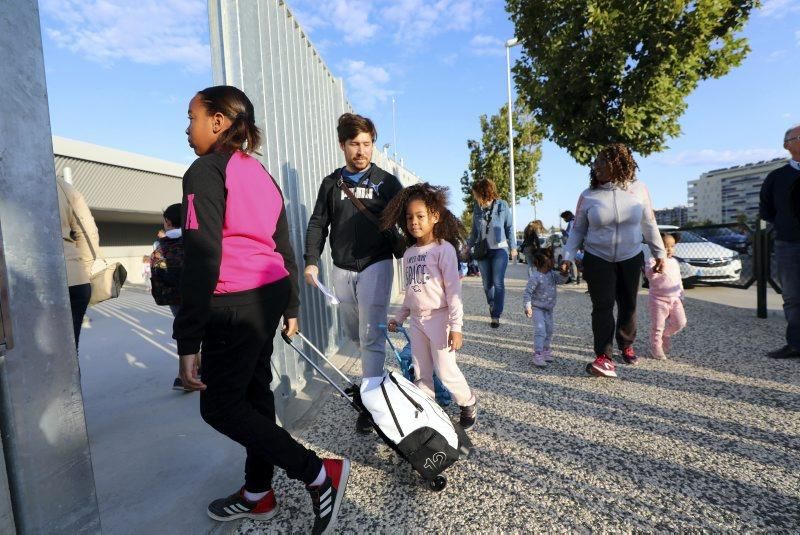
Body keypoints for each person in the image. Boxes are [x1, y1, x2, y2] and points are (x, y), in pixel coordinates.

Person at [174, 85, 349, 533]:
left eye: (192, 117)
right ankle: (258, 492)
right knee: (253, 396)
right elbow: (282, 244)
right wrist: (290, 303)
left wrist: (188, 338)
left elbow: (202, 256)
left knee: (219, 407)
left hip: (232, 301)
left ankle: (316, 472)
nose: (186, 128)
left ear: (218, 121)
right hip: (267, 294)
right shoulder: (261, 174)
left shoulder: (206, 170)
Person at [303, 113, 403, 434]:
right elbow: (318, 223)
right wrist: (311, 259)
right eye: (354, 144)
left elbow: (410, 217)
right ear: (342, 145)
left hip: (377, 263)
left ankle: (371, 402)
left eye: (367, 144)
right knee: (354, 333)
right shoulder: (332, 183)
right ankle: (374, 373)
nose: (361, 151)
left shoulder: (387, 183)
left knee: (370, 334)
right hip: (341, 268)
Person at [560, 143, 665, 378]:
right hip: (598, 257)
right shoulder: (588, 195)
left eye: (602, 162)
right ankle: (604, 357)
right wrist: (567, 256)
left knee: (628, 304)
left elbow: (649, 223)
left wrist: (660, 253)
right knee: (603, 306)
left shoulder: (639, 190)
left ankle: (626, 343)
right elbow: (577, 230)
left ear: (618, 164)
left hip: (630, 256)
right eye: (595, 163)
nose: (596, 167)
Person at [384, 183, 478, 429]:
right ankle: (428, 411)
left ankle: (467, 402)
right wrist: (399, 316)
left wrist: (456, 327)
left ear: (434, 216)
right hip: (416, 321)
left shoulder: (443, 250)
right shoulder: (409, 253)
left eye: (420, 216)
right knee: (421, 371)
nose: (414, 222)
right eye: (409, 217)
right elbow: (411, 292)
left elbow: (453, 292)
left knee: (445, 370)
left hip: (440, 319)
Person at [760, 124, 800, 359]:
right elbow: (766, 210)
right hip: (789, 243)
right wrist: (787, 224)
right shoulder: (776, 178)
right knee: (793, 296)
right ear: (788, 145)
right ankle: (796, 343)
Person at [57, 177, 102, 350]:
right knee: (68, 352)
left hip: (19, 283)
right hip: (74, 279)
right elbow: (88, 232)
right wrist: (83, 271)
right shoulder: (62, 186)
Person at [468, 178, 518, 328]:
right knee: (486, 284)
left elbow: (509, 227)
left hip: (500, 250)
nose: (475, 196)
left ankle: (496, 315)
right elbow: (474, 231)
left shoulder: (502, 205)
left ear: (484, 192)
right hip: (482, 250)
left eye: (476, 193)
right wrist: (467, 246)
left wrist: (513, 246)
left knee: (498, 282)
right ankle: (492, 304)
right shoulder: (477, 207)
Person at [150, 203, 186, 390]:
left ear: (168, 221)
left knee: (183, 328)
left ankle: (184, 375)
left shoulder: (159, 244)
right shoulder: (195, 239)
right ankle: (200, 365)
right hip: (197, 292)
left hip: (172, 294)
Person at [645, 232, 687, 360]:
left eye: (672, 246)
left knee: (680, 322)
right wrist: (657, 267)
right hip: (658, 299)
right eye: (665, 246)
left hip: (675, 298)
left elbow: (678, 279)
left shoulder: (674, 262)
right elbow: (650, 276)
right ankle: (656, 346)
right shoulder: (652, 261)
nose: (669, 249)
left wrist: (682, 295)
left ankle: (665, 335)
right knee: (658, 325)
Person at [524, 252, 568, 368]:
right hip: (537, 308)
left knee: (549, 330)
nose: (553, 261)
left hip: (549, 309)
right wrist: (528, 307)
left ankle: (545, 349)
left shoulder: (552, 274)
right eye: (551, 259)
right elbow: (528, 293)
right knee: (540, 330)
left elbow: (562, 280)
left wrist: (565, 272)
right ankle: (537, 354)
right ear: (542, 263)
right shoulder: (535, 277)